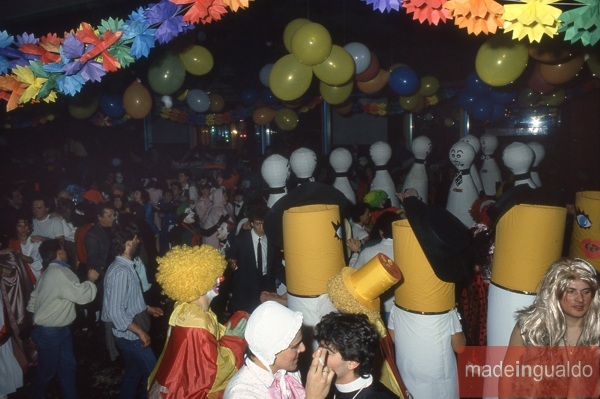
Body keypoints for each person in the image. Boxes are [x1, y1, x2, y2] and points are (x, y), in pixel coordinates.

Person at [148, 245, 248, 398]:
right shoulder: (198, 323)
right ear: (197, 281)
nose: (220, 280)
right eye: (213, 277)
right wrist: (235, 341)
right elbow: (214, 373)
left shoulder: (183, 308)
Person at [502, 258, 600, 398]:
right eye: (571, 291)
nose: (580, 299)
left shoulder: (597, 329)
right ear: (555, 293)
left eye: (586, 292)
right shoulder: (531, 327)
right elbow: (507, 376)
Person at [27, 239, 99, 399]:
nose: (67, 252)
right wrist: (92, 280)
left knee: (68, 368)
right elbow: (82, 296)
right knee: (46, 373)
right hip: (51, 332)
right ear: (59, 252)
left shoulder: (46, 273)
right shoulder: (61, 272)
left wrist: (34, 318)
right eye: (64, 249)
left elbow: (33, 298)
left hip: (59, 330)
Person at [101, 223, 163, 399]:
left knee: (133, 375)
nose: (139, 241)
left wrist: (147, 308)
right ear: (128, 243)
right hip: (131, 337)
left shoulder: (126, 266)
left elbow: (126, 299)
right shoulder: (121, 271)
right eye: (136, 238)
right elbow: (116, 312)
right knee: (154, 377)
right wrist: (140, 332)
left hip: (130, 336)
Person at [223, 301, 333, 399]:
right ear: (272, 350)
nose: (303, 348)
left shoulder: (287, 372)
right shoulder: (242, 394)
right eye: (294, 346)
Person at [314, 313, 395, 398]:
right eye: (319, 346)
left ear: (353, 362)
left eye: (327, 352)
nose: (314, 355)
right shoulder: (319, 385)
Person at [226, 204, 285, 314]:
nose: (262, 228)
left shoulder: (272, 241)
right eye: (258, 224)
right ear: (252, 223)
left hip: (267, 289)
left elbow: (277, 267)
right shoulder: (240, 241)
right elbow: (229, 265)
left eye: (264, 224)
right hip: (246, 290)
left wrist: (292, 284)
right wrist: (232, 266)